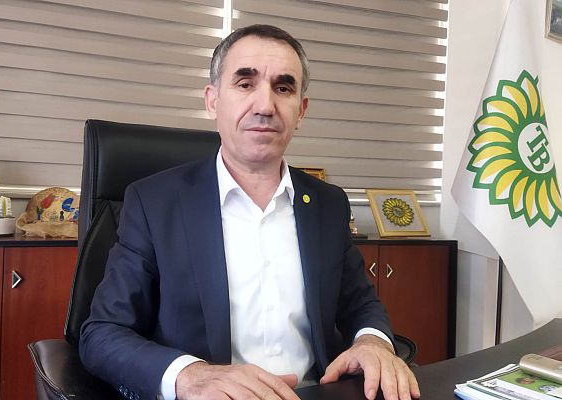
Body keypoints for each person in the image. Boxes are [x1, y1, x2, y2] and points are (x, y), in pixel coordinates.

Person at [79, 24, 420, 400]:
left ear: (301, 110)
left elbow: (360, 304)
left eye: (283, 88)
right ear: (212, 100)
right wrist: (189, 376)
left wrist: (373, 342)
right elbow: (102, 333)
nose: (265, 106)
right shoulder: (154, 203)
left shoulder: (327, 204)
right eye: (245, 84)